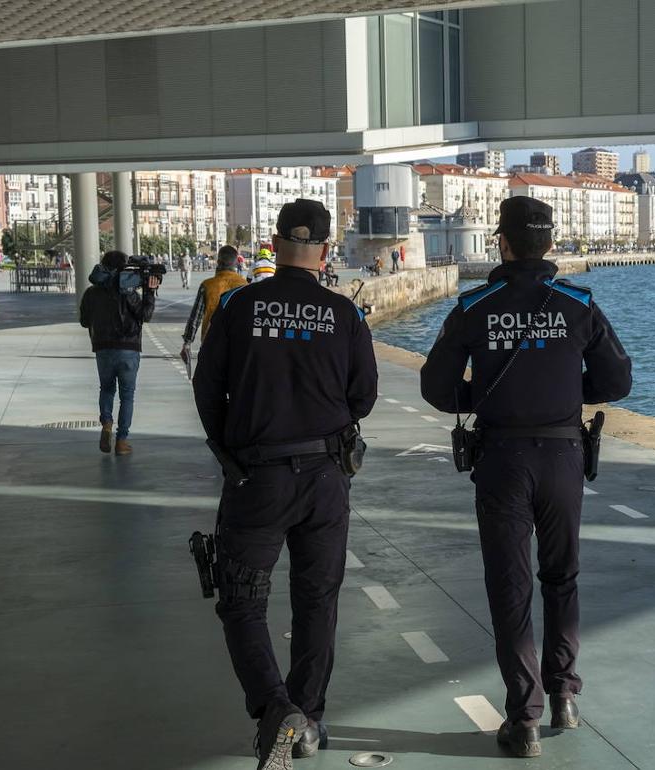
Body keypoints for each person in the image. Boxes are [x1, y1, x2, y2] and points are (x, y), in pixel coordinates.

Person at [420, 196, 632, 759]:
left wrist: (485, 395)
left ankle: (525, 717)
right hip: (563, 456)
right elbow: (616, 381)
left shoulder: (475, 304)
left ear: (503, 243)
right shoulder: (578, 302)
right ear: (550, 243)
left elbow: (436, 390)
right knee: (561, 578)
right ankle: (564, 693)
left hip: (502, 461)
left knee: (510, 588)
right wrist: (566, 392)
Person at [193, 199, 378, 770]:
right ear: (326, 250)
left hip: (258, 477)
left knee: (242, 600)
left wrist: (234, 453)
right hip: (326, 479)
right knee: (316, 600)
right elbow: (363, 398)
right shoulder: (343, 314)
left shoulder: (240, 305)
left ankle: (275, 710)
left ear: (274, 244)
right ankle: (310, 718)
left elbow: (207, 388)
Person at [79, 250, 160, 456]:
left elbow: (84, 321)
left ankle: (106, 423)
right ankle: (122, 441)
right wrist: (150, 292)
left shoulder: (91, 292)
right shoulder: (129, 292)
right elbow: (146, 316)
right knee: (127, 396)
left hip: (103, 348)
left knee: (106, 389)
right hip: (128, 349)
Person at [180, 245, 249, 360]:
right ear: (236, 262)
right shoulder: (245, 286)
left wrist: (187, 343)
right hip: (238, 346)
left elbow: (195, 317)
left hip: (211, 345)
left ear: (218, 262)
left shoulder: (207, 285)